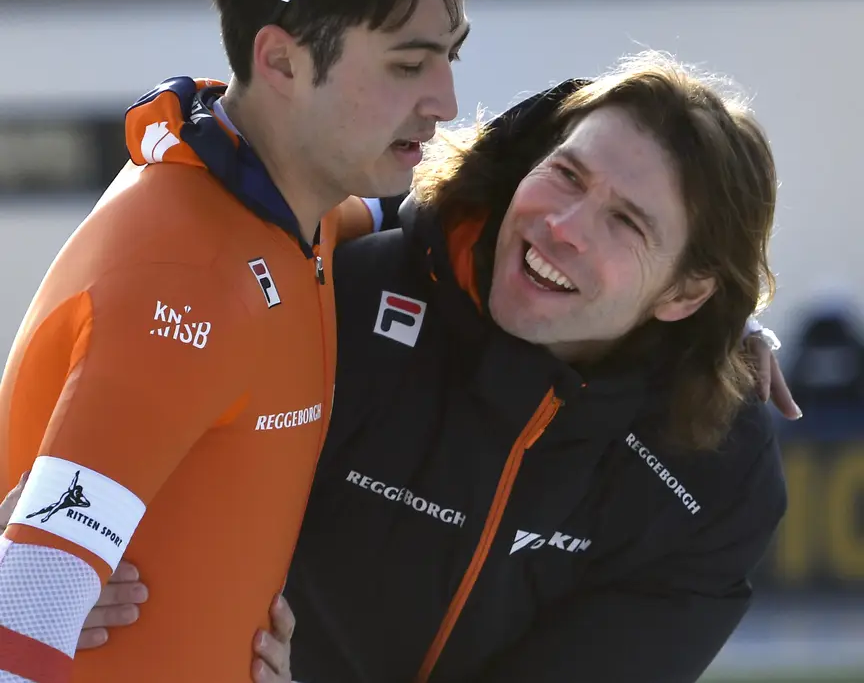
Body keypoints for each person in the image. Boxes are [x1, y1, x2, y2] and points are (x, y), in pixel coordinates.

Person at [47, 54, 793, 683]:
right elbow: (121, 454)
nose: (562, 227)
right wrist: (40, 523)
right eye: (566, 175)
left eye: (626, 222)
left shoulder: (716, 472)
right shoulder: (345, 299)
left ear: (686, 293)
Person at [0, 0, 471, 681]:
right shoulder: (186, 280)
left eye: (450, 57)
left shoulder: (297, 212)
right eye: (409, 65)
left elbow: (458, 221)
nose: (444, 99)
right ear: (282, 62)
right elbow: (22, 618)